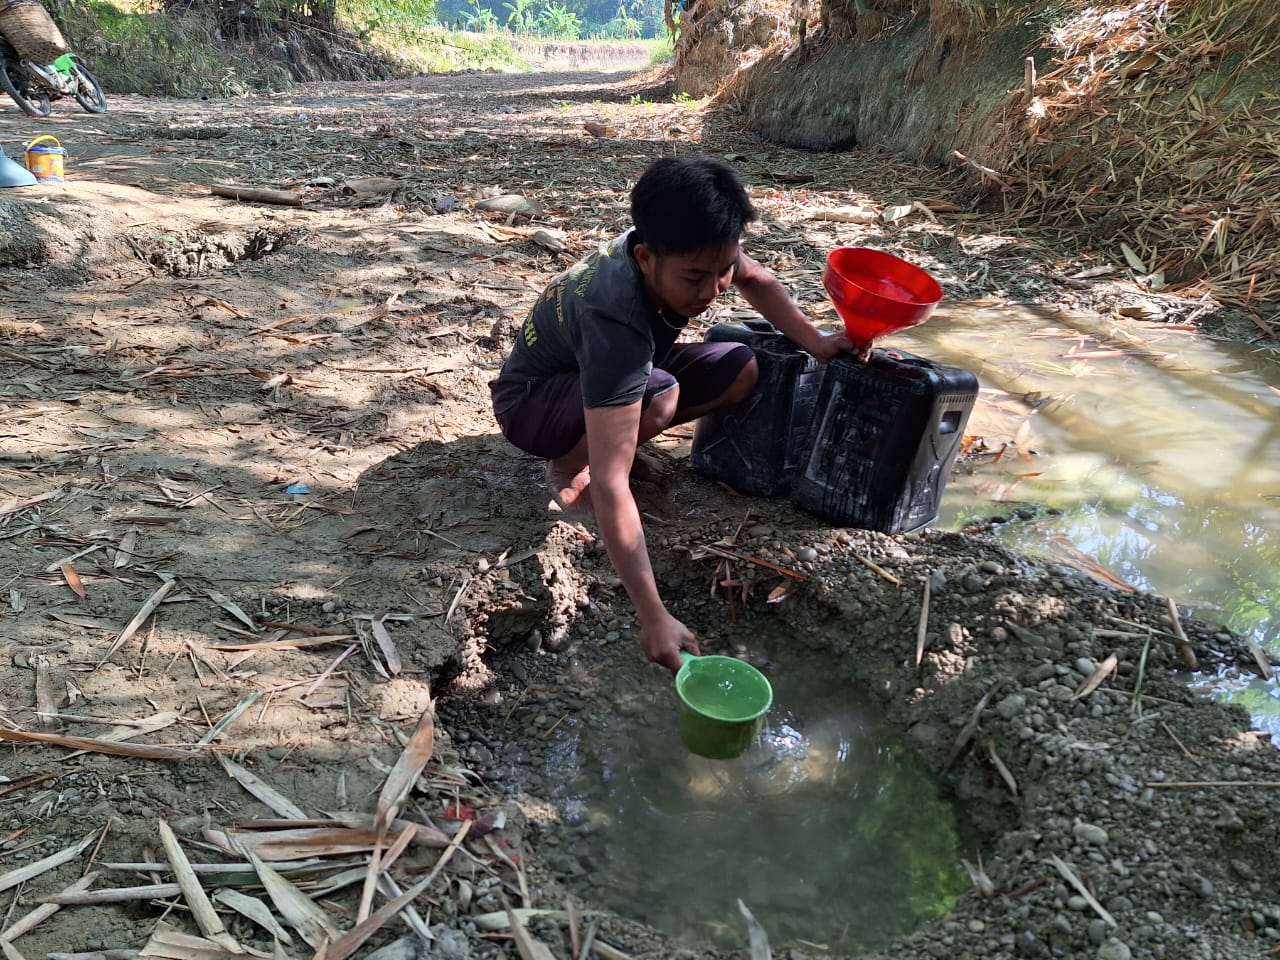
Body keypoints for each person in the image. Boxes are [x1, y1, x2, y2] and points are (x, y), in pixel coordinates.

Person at [489, 156, 853, 672]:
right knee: (658, 395)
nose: (711, 291)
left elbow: (760, 280)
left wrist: (818, 342)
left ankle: (611, 431)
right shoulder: (611, 313)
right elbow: (614, 484)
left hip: (604, 374)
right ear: (644, 258)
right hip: (530, 402)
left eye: (721, 270)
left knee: (741, 368)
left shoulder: (693, 241)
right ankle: (568, 464)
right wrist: (653, 614)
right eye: (694, 278)